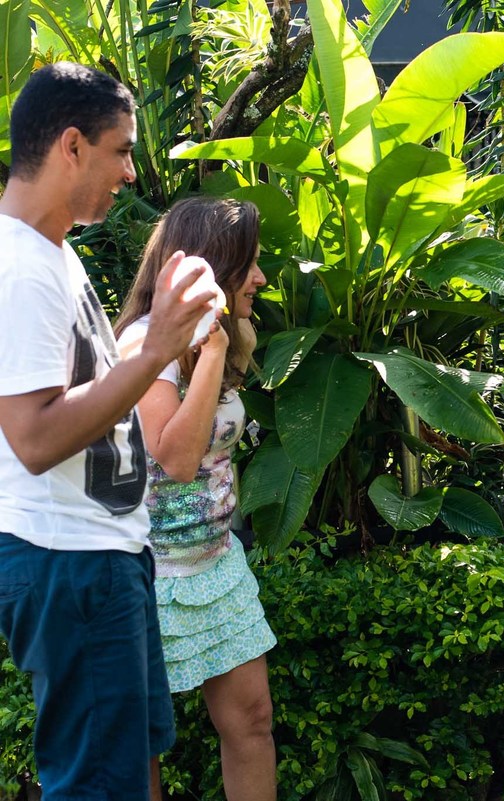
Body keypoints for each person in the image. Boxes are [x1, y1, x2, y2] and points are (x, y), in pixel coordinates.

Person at [0, 63, 217, 799]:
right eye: (121, 150)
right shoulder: (20, 268)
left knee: (128, 774)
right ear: (70, 146)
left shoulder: (52, 255)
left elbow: (85, 388)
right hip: (69, 561)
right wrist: (156, 352)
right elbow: (31, 438)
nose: (130, 171)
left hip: (97, 557)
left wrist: (165, 336)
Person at [115, 198, 276, 800]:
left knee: (253, 722)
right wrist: (209, 353)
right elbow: (176, 459)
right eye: (249, 266)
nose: (259, 279)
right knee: (142, 745)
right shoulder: (142, 342)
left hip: (215, 565)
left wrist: (219, 347)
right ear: (213, 268)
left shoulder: (229, 338)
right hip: (146, 575)